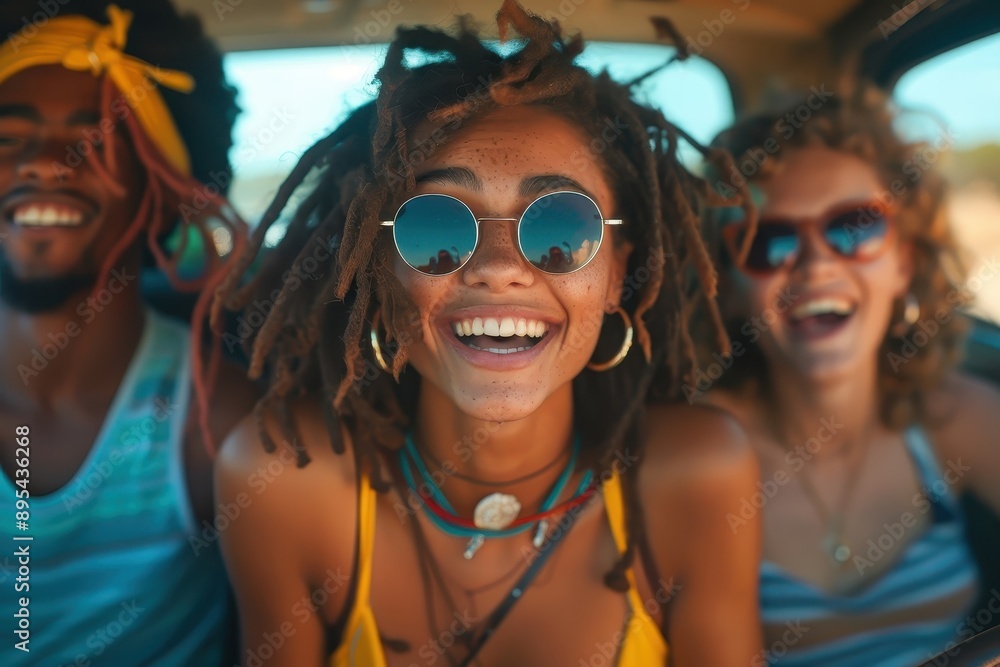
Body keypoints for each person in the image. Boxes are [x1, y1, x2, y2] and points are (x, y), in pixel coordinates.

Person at [215, 2, 762, 665]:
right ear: (378, 268)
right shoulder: (283, 482)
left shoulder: (697, 477)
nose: (500, 269)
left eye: (560, 227)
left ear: (618, 272)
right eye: (436, 227)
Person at [698, 88, 1000, 665]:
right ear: (729, 286)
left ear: (903, 263)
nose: (815, 265)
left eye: (855, 227)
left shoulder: (955, 419)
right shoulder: (696, 451)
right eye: (768, 240)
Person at [0, 1, 256, 665]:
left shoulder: (216, 424)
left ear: (167, 191)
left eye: (95, 142)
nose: (42, 162)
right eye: (6, 137)